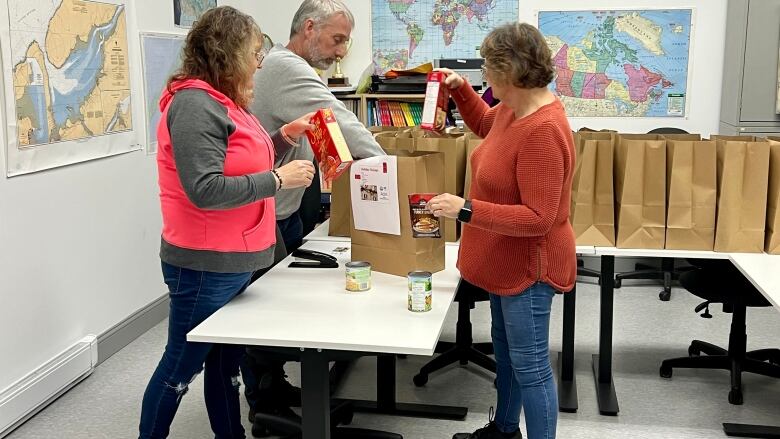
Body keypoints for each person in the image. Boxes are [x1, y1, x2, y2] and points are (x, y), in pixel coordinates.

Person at [138, 6, 316, 438]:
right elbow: (206, 188)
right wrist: (278, 180)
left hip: (240, 258)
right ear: (229, 52)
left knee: (225, 366)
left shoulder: (226, 102)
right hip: (204, 264)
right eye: (255, 51)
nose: (259, 61)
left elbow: (241, 163)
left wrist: (284, 137)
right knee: (179, 367)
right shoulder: (195, 103)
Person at [427, 23, 577, 439]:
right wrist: (459, 90)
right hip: (503, 260)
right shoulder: (514, 107)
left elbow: (539, 218)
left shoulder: (543, 130)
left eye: (487, 69)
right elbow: (483, 124)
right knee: (509, 356)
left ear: (508, 71)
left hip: (530, 267)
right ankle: (506, 430)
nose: (484, 77)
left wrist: (467, 210)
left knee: (530, 366)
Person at [242, 0, 386, 433]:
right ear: (308, 27)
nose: (342, 51)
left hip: (283, 208)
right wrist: (389, 166)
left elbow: (322, 132)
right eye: (337, 38)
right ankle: (264, 405)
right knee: (265, 315)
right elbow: (340, 120)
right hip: (265, 212)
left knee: (275, 310)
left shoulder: (290, 66)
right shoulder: (288, 67)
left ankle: (274, 389)